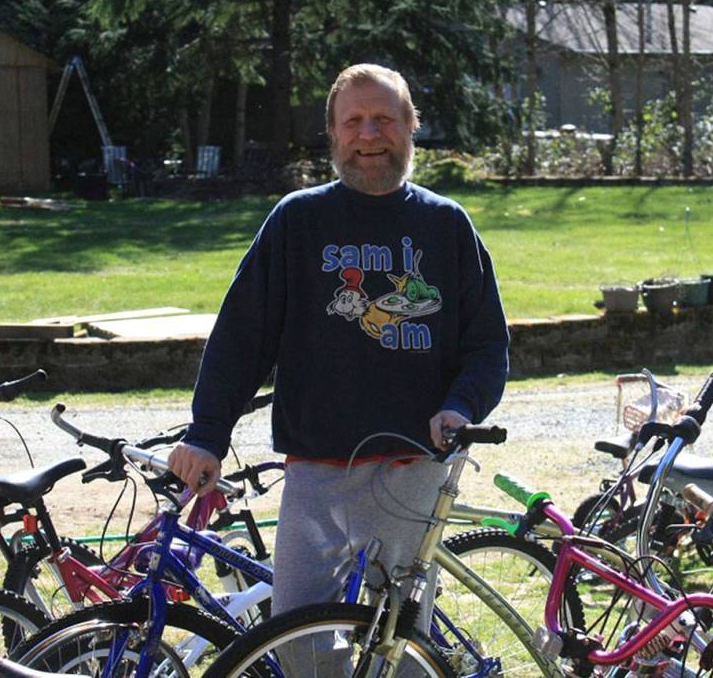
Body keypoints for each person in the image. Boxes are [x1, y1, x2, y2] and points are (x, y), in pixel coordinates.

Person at [168, 63, 509, 649]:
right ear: (333, 134)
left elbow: (486, 345)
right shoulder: (298, 220)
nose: (369, 134)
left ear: (410, 128)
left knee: (400, 644)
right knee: (295, 638)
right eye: (354, 121)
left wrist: (461, 406)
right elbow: (241, 339)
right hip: (316, 474)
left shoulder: (446, 225)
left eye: (385, 119)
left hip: (413, 471)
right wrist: (207, 433)